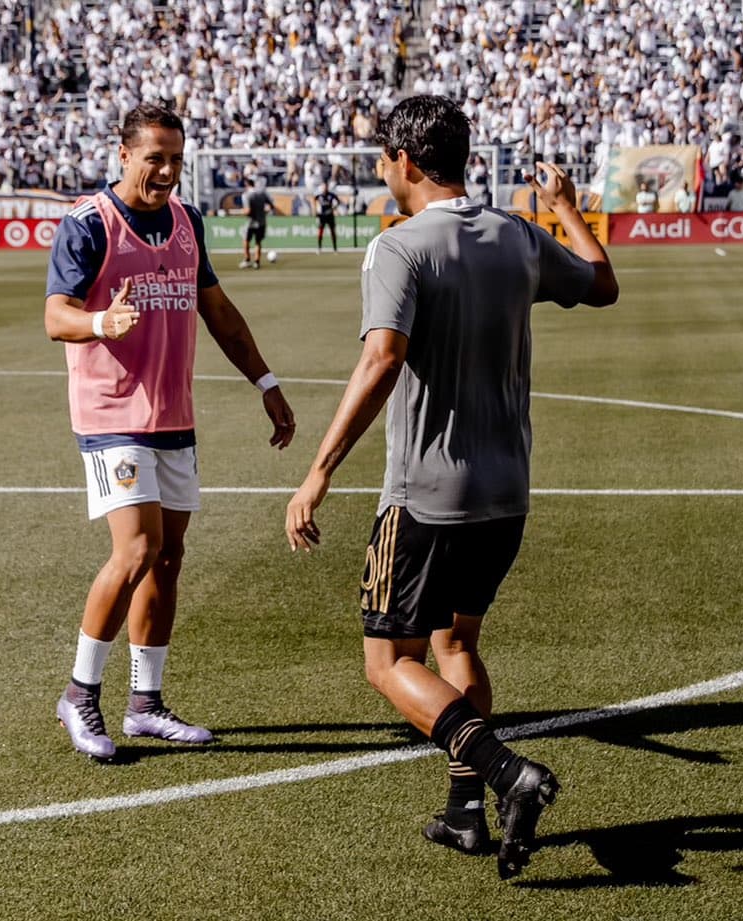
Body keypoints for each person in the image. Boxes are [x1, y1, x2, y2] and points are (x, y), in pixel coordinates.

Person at [284, 95, 619, 879]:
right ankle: (465, 811)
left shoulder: (397, 247)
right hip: (507, 491)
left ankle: (507, 774)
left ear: (403, 162)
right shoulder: (517, 234)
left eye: (380, 157)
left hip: (425, 494)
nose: (378, 169)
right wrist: (567, 209)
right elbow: (601, 285)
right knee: (456, 641)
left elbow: (381, 358)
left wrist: (318, 470)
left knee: (384, 659)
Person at [45, 103, 296, 761]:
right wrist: (101, 324)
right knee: (135, 549)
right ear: (123, 154)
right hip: (110, 415)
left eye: (175, 159)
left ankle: (145, 704)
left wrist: (265, 384)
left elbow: (217, 310)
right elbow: (55, 314)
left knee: (167, 557)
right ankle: (79, 693)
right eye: (154, 157)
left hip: (173, 418)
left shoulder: (186, 222)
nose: (165, 171)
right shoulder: (87, 223)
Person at [240, 177, 275, 269]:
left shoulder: (246, 195)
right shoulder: (262, 193)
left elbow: (247, 211)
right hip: (261, 221)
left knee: (246, 240)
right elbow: (271, 206)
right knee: (258, 242)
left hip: (250, 222)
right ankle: (257, 262)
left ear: (247, 184)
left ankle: (247, 260)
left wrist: (240, 212)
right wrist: (264, 212)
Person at [314, 181, 341, 253]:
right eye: (323, 187)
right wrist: (316, 214)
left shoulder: (331, 195)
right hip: (322, 216)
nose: (325, 188)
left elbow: (338, 202)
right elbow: (314, 202)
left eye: (326, 186)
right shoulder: (319, 196)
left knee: (333, 232)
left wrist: (333, 208)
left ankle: (335, 249)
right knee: (320, 232)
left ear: (327, 187)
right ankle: (319, 248)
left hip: (330, 216)